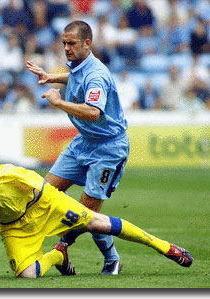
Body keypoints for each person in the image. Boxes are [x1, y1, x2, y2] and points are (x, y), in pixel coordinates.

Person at [0, 138, 193, 278]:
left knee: (96, 222)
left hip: (40, 199)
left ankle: (165, 248)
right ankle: (59, 254)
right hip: (15, 224)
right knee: (27, 275)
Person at [25, 20, 129, 275]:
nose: (66, 48)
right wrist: (51, 77)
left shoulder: (97, 75)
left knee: (86, 214)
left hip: (108, 148)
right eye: (63, 43)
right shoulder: (81, 66)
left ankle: (110, 258)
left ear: (87, 43)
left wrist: (59, 102)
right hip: (83, 142)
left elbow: (93, 112)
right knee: (45, 192)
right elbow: (74, 77)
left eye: (71, 44)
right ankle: (63, 244)